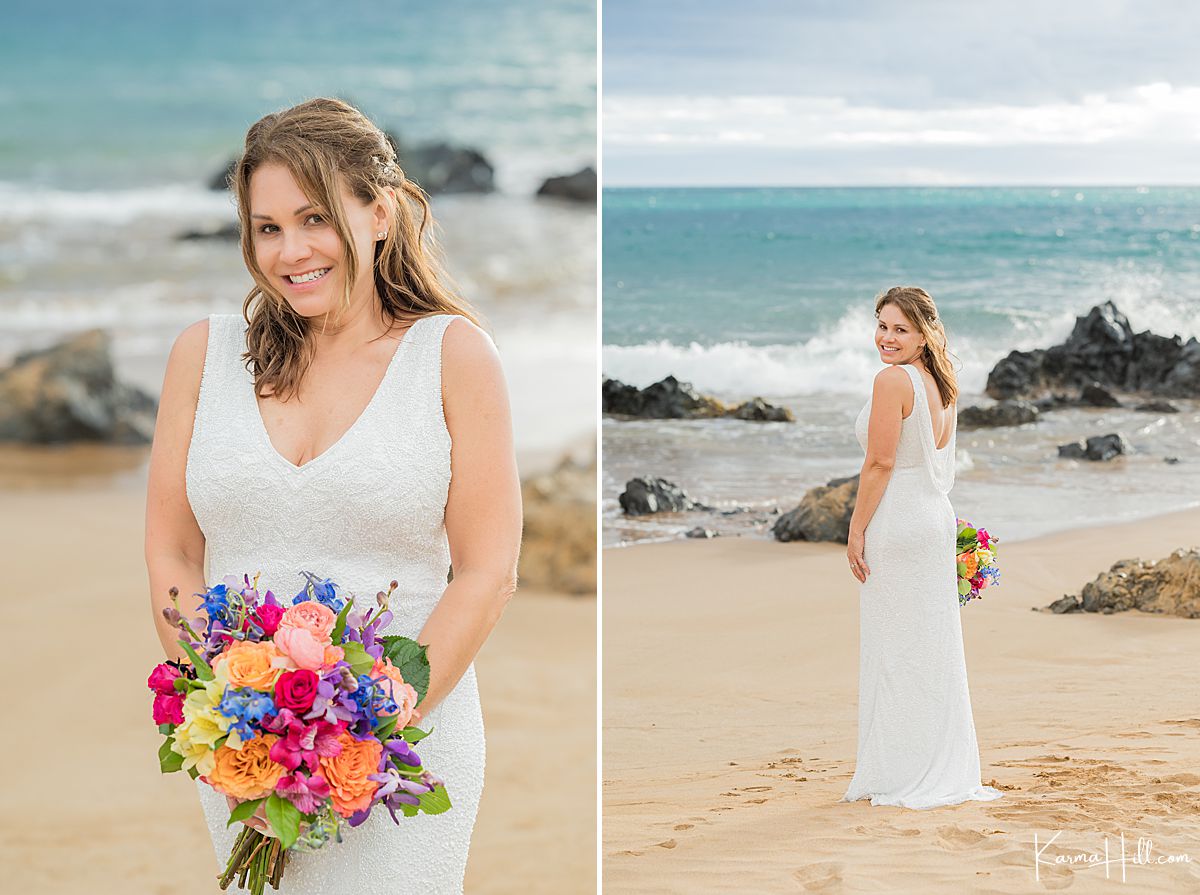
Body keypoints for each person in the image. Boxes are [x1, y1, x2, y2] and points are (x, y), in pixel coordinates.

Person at [144, 97, 522, 891]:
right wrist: (220, 705)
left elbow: (487, 571)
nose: (290, 251)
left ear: (378, 212)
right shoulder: (202, 356)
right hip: (247, 751)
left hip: (403, 751)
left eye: (315, 217)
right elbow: (174, 550)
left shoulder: (452, 356)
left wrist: (368, 725)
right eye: (267, 227)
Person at [839, 286, 1002, 809]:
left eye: (900, 329)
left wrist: (856, 527)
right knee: (928, 649)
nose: (887, 338)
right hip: (932, 518)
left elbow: (881, 463)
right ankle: (934, 765)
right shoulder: (940, 381)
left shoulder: (893, 380)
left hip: (900, 521)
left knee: (895, 650)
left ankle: (899, 773)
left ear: (923, 333)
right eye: (882, 325)